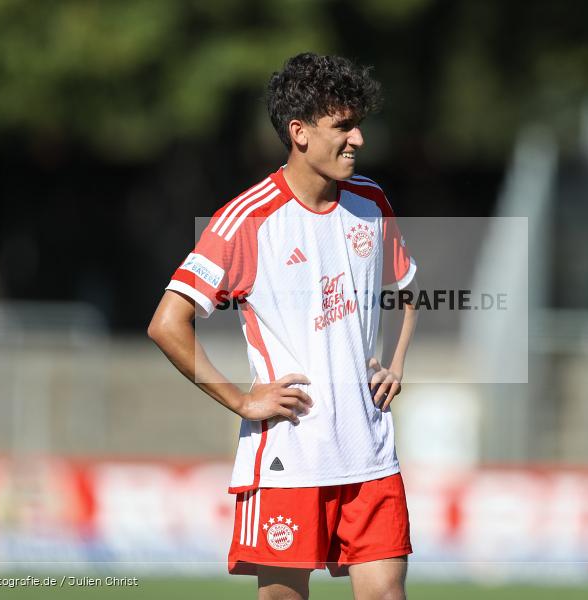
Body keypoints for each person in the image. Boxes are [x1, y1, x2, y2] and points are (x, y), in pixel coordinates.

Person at [148, 52, 418, 600]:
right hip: (289, 458)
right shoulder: (247, 220)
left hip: (370, 453)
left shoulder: (371, 202)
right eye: (343, 127)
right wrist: (243, 400)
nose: (358, 139)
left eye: (358, 125)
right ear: (299, 133)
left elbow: (411, 293)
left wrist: (395, 365)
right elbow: (167, 323)